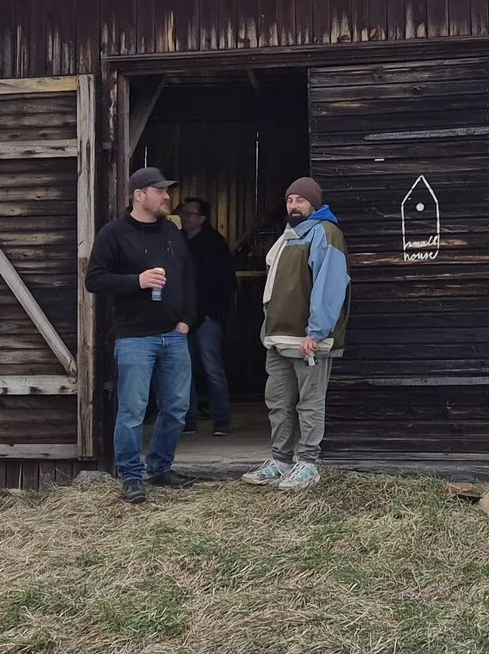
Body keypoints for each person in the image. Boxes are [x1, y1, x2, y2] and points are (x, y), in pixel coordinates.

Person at [85, 165, 196, 503]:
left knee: (177, 407)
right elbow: (94, 279)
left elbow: (188, 276)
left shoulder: (171, 232)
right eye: (160, 191)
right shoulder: (113, 234)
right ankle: (131, 476)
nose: (166, 197)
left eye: (166, 190)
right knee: (133, 411)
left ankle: (160, 467)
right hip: (134, 337)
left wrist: (187, 319)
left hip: (174, 334)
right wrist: (138, 281)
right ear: (139, 195)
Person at [243, 176, 350, 493]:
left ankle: (308, 464)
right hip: (278, 339)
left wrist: (315, 333)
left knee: (309, 403)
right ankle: (280, 461)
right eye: (290, 200)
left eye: (300, 200)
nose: (293, 205)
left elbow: (329, 286)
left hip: (307, 341)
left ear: (314, 204)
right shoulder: (288, 236)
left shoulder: (326, 233)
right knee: (279, 403)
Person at [177, 196, 237, 433]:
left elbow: (226, 281)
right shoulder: (177, 241)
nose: (184, 217)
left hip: (207, 317)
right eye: (182, 213)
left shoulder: (214, 244)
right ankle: (188, 419)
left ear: (202, 218)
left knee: (212, 369)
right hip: (183, 316)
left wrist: (214, 312)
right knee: (185, 369)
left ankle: (221, 418)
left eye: (189, 213)